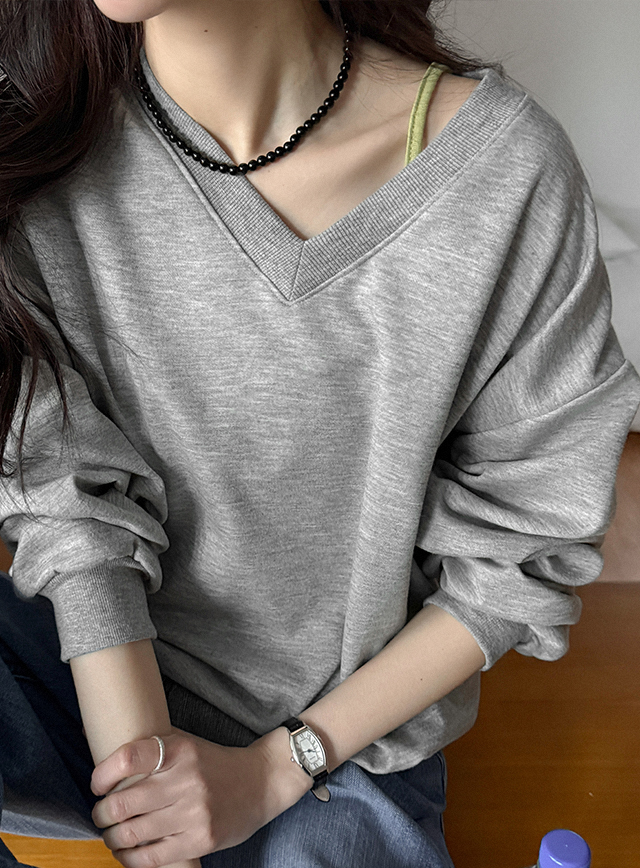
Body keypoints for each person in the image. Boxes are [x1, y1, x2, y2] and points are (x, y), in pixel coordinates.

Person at [0, 1, 638, 866]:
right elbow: (65, 503)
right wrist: (152, 796)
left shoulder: (503, 173)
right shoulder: (35, 146)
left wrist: (277, 768)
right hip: (75, 666)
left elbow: (523, 545)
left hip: (337, 747)